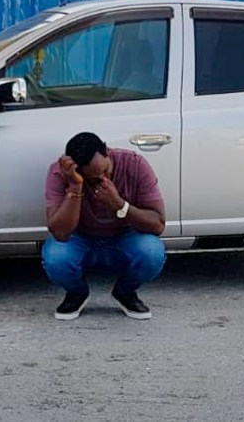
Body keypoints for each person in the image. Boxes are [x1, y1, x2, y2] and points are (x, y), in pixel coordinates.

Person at [42, 132, 167, 320]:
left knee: (152, 252)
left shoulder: (135, 164)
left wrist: (119, 204)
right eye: (93, 178)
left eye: (105, 171)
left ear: (107, 151)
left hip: (124, 236)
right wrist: (75, 188)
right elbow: (60, 233)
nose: (102, 179)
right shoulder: (60, 173)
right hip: (80, 237)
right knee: (55, 257)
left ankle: (125, 292)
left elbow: (158, 225)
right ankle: (77, 293)